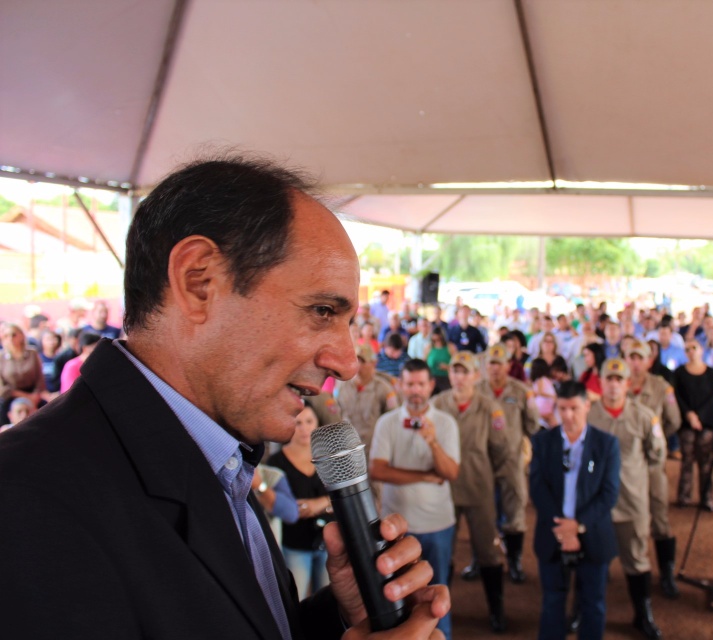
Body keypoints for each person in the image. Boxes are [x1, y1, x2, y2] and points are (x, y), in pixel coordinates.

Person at [0, 156, 448, 639]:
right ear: (199, 282)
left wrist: (340, 614)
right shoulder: (24, 504)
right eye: (321, 310)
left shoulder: (220, 450)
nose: (346, 361)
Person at [370, 360, 460, 640]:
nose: (415, 390)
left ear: (431, 386)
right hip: (397, 526)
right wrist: (425, 475)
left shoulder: (445, 423)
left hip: (438, 523)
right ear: (400, 385)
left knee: (437, 591)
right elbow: (378, 470)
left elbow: (450, 472)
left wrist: (433, 442)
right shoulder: (387, 422)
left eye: (421, 383)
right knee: (396, 595)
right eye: (409, 383)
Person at [530, 381, 621, 640]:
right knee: (552, 602)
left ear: (587, 406)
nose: (568, 415)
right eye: (562, 408)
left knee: (593, 604)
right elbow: (538, 488)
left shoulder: (607, 445)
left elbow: (609, 493)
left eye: (574, 408)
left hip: (592, 534)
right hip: (552, 533)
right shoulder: (542, 442)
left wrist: (577, 526)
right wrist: (562, 529)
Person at [587, 358, 666, 638]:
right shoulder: (589, 415)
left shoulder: (644, 416)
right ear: (601, 381)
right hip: (596, 504)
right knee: (591, 559)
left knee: (637, 559)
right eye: (609, 378)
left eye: (619, 379)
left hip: (632, 502)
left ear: (628, 383)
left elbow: (657, 455)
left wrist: (634, 475)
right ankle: (582, 611)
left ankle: (642, 613)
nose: (614, 384)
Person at [432, 352, 510, 632]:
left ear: (477, 376)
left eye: (466, 372)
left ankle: (496, 610)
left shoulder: (490, 408)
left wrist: (496, 480)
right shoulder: (437, 404)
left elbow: (501, 451)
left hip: (479, 491)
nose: (459, 377)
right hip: (444, 492)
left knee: (488, 552)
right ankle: (438, 612)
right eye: (455, 371)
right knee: (443, 553)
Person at [477, 343, 540, 584]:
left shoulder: (522, 392)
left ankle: (514, 560)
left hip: (512, 460)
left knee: (515, 510)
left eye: (499, 363)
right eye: (491, 363)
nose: (495, 368)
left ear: (508, 365)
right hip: (482, 461)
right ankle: (479, 558)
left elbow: (533, 425)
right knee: (481, 512)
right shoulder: (477, 390)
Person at [625, 342, 682, 598]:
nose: (635, 363)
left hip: (651, 464)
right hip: (625, 466)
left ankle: (667, 573)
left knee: (659, 514)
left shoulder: (661, 387)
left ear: (649, 361)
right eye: (631, 357)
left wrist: (655, 442)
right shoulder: (618, 386)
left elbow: (673, 421)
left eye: (640, 358)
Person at [266, 404, 334, 601]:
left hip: (328, 541)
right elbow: (275, 503)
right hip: (295, 542)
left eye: (309, 422)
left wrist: (318, 504)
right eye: (298, 423)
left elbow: (342, 495)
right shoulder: (276, 462)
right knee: (296, 599)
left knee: (329, 599)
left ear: (318, 423)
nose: (304, 428)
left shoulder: (328, 457)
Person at [674, 340, 713, 510]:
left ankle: (707, 498)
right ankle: (684, 496)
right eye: (687, 349)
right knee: (687, 460)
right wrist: (689, 414)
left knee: (706, 462)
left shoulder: (711, 373)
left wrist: (699, 416)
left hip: (706, 423)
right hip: (686, 423)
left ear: (701, 350)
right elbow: (677, 395)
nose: (691, 351)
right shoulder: (679, 373)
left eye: (694, 348)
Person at [336, 344, 399, 451]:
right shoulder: (342, 386)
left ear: (373, 363)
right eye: (355, 361)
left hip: (373, 447)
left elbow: (393, 418)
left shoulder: (383, 389)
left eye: (363, 362)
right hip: (347, 447)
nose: (358, 366)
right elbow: (336, 414)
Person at [0, 321, 44, 423]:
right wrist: (25, 396)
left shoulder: (32, 353)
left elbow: (40, 378)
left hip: (34, 394)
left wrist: (36, 394)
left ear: (21, 335)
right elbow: (2, 388)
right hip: (10, 396)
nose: (10, 339)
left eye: (13, 335)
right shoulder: (1, 358)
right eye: (6, 336)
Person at [424, 327, 455, 394]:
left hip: (446, 378)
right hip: (432, 377)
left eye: (439, 339)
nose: (437, 342)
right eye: (434, 340)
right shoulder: (428, 348)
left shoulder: (450, 347)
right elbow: (424, 363)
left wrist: (447, 367)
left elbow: (457, 364)